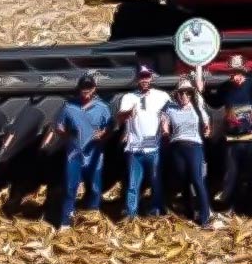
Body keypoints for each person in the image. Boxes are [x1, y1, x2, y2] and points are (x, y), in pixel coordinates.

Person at [55, 73, 113, 228]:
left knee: (95, 187)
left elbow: (109, 128)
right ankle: (66, 221)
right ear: (78, 89)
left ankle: (92, 222)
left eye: (88, 88)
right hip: (74, 154)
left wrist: (103, 134)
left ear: (94, 89)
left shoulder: (103, 108)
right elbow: (59, 126)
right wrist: (65, 133)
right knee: (70, 187)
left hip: (95, 153)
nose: (85, 91)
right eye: (83, 88)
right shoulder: (69, 107)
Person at [205, 54, 252, 211]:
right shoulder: (225, 87)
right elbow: (215, 103)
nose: (235, 75)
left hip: (249, 139)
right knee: (232, 173)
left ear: (244, 70)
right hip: (231, 140)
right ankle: (232, 205)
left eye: (238, 71)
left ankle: (251, 205)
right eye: (233, 71)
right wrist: (204, 91)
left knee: (251, 173)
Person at [116, 65, 170, 220]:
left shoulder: (162, 96)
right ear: (137, 79)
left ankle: (156, 210)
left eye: (147, 76)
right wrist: (128, 113)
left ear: (151, 77)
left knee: (156, 182)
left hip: (154, 147)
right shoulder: (128, 97)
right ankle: (131, 213)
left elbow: (170, 113)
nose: (144, 80)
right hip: (135, 148)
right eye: (142, 77)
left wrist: (166, 128)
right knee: (133, 184)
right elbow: (119, 118)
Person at [160, 78, 213, 228]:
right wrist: (164, 130)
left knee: (197, 180)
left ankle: (204, 218)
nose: (184, 96)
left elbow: (207, 125)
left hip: (194, 146)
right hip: (177, 147)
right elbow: (165, 124)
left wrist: (207, 130)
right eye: (181, 93)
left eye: (188, 93)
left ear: (191, 95)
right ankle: (189, 211)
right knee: (183, 180)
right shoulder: (170, 108)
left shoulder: (197, 108)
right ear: (177, 94)